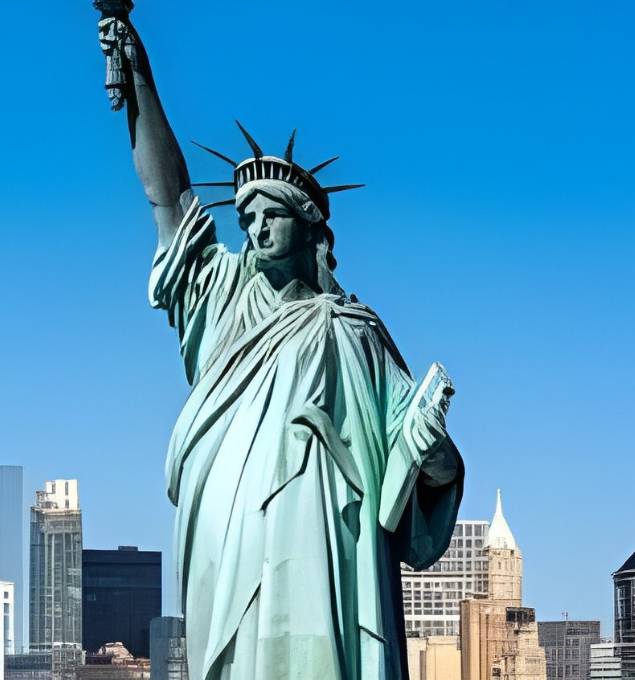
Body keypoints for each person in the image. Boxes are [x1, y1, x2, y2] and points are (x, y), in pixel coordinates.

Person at [96, 4, 467, 679]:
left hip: (324, 544)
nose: (256, 229)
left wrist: (435, 453)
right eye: (245, 217)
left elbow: (415, 470)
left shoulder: (354, 332)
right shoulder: (221, 297)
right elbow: (168, 197)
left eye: (271, 216)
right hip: (229, 528)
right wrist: (141, 81)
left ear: (308, 228)